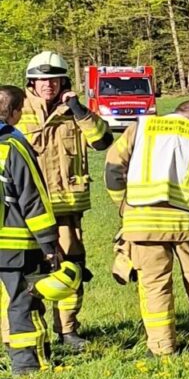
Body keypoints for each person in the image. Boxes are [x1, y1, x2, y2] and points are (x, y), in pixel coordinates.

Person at [104, 100, 189, 355]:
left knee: (154, 284)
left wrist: (125, 207)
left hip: (143, 224)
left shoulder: (140, 128)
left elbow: (112, 169)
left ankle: (162, 348)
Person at [18, 51, 113, 352]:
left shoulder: (75, 112)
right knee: (30, 271)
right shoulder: (17, 110)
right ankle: (33, 333)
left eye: (54, 80)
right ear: (31, 83)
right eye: (42, 80)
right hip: (26, 210)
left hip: (67, 211)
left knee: (70, 269)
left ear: (64, 82)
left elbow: (103, 141)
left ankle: (68, 330)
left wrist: (79, 110)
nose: (48, 85)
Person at [0, 84, 60, 378]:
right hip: (14, 247)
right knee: (24, 304)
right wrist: (49, 243)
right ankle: (28, 367)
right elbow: (32, 197)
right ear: (12, 112)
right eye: (20, 109)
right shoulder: (12, 145)